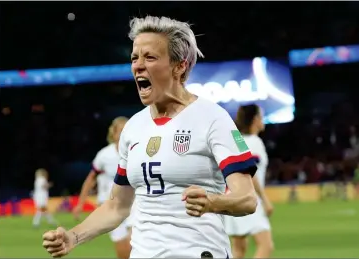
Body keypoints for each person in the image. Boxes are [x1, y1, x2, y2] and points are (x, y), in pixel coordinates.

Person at [42, 15, 258, 258]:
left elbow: (247, 199)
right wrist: (73, 237)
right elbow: (117, 206)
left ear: (180, 66)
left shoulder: (213, 118)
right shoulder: (133, 129)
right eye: (135, 57)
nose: (138, 65)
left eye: (150, 57)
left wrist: (213, 202)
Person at [72, 117, 132, 259]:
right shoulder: (104, 155)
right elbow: (90, 179)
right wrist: (80, 204)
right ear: (114, 134)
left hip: (133, 204)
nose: (124, 134)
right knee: (122, 250)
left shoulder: (138, 151)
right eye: (121, 131)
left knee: (136, 240)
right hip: (110, 207)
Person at [224, 104, 274, 258]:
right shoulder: (254, 142)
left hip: (231, 196)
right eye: (261, 116)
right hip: (248, 197)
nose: (263, 119)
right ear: (255, 119)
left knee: (239, 248)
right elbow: (249, 173)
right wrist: (265, 199)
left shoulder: (236, 141)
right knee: (266, 246)